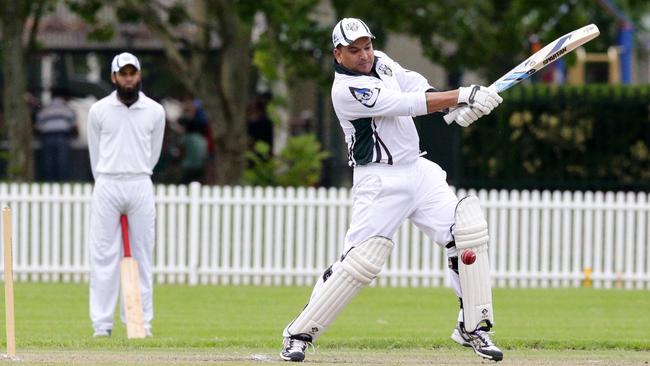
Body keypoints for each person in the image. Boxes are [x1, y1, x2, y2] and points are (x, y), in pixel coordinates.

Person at [280, 18, 504, 362]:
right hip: (379, 181)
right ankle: (298, 334)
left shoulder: (380, 61)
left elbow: (412, 85)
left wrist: (451, 105)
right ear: (338, 54)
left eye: (366, 46)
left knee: (467, 233)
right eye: (354, 50)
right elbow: (404, 104)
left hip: (418, 169)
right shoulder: (348, 90)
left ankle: (473, 327)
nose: (364, 55)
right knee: (357, 264)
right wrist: (462, 95)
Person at [86, 52, 165, 338]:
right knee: (103, 257)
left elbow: (154, 153)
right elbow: (95, 152)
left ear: (139, 75)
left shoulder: (155, 111)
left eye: (133, 73)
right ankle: (101, 325)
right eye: (124, 73)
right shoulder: (99, 110)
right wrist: (106, 178)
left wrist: (138, 172)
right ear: (114, 77)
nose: (128, 78)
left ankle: (141, 322)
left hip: (140, 181)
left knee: (143, 255)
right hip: (106, 182)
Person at [34, 87, 78, 182]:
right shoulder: (68, 109)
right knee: (62, 160)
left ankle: (49, 181)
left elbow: (37, 127)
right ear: (65, 97)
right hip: (62, 137)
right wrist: (75, 137)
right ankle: (62, 181)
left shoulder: (45, 109)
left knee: (48, 161)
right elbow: (74, 126)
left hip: (47, 137)